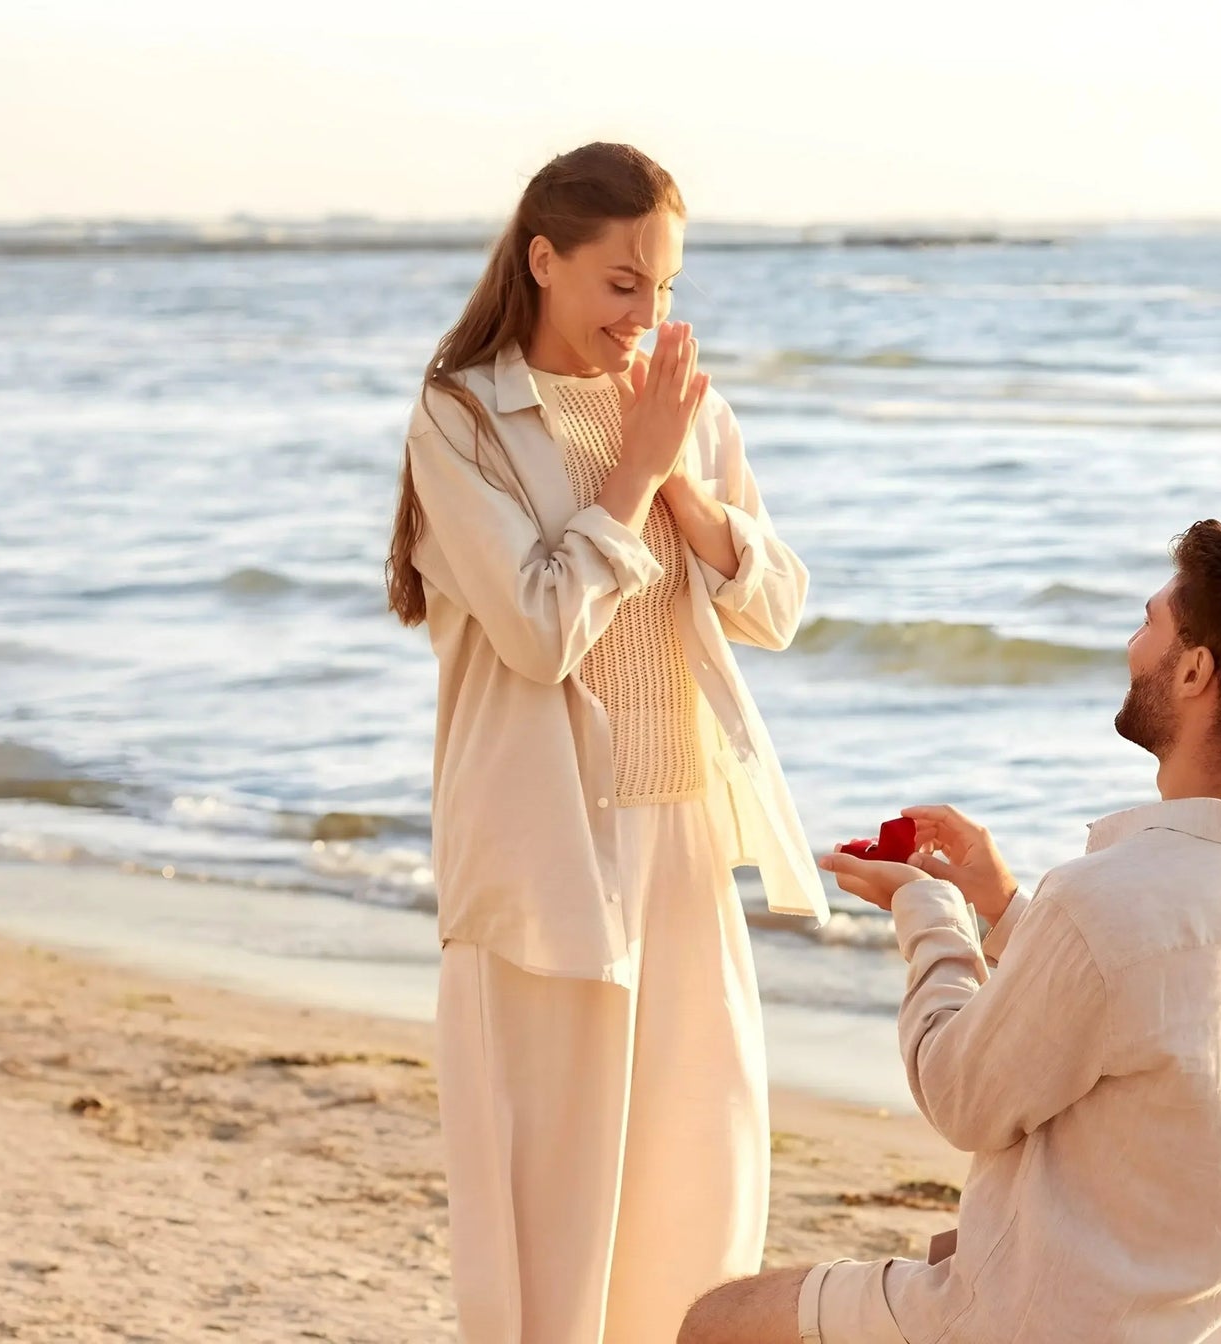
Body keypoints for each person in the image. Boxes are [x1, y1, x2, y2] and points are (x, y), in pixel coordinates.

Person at [678, 521, 1221, 1343]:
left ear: (1194, 671)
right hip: (1205, 1323)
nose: (1131, 645)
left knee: (717, 1322)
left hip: (1029, 1319)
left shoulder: (1106, 902)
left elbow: (962, 1098)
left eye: (1149, 622)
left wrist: (930, 920)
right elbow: (1150, 1003)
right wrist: (1006, 908)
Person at [386, 141, 830, 1344]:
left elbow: (778, 604)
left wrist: (683, 484)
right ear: (544, 262)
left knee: (701, 1172)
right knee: (551, 1202)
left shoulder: (688, 406)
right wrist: (634, 475)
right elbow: (537, 631)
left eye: (669, 288)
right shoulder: (462, 414)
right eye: (623, 284)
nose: (649, 315)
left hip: (681, 831)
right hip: (545, 847)